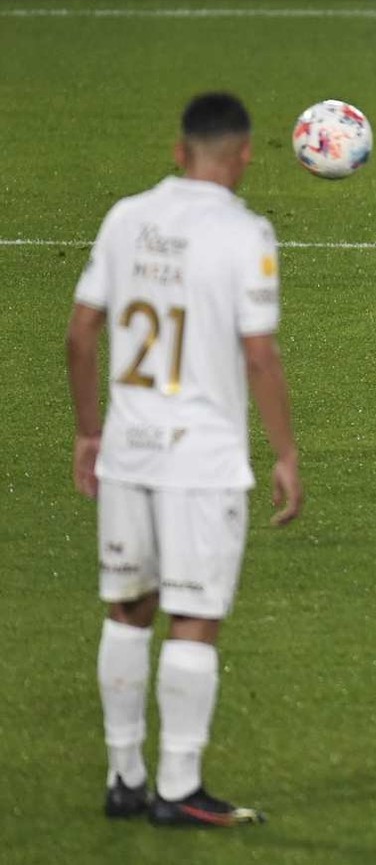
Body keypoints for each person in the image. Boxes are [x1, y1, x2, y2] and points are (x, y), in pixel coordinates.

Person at [66, 91, 303, 826]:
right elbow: (259, 355)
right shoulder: (246, 233)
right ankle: (178, 787)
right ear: (242, 159)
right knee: (194, 615)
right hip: (199, 460)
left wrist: (88, 432)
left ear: (178, 151)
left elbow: (79, 335)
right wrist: (287, 451)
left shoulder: (124, 217)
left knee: (128, 610)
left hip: (128, 452)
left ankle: (123, 775)